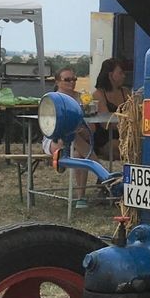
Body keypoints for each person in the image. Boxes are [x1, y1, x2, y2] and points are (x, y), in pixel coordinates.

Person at [42, 67, 95, 208]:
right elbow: (49, 126)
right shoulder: (51, 99)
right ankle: (98, 167)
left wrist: (82, 128)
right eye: (67, 79)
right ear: (57, 82)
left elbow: (92, 128)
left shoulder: (83, 99)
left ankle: (81, 198)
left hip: (79, 142)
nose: (72, 82)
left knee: (78, 155)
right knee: (72, 135)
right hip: (55, 139)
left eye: (74, 79)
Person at [91, 58, 130, 160]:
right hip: (106, 138)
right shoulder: (98, 94)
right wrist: (128, 124)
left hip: (125, 135)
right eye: (120, 73)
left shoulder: (126, 92)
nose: (124, 76)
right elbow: (106, 124)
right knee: (118, 146)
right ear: (110, 75)